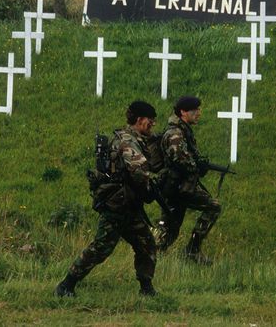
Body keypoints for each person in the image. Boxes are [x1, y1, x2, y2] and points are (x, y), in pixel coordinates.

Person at [55, 101, 161, 297]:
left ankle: (147, 289)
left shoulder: (134, 138)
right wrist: (157, 183)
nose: (153, 124)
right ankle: (66, 285)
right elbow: (139, 171)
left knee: (146, 245)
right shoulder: (127, 142)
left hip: (129, 206)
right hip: (117, 207)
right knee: (101, 248)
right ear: (139, 120)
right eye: (150, 120)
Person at [156, 96, 221, 265]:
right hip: (176, 187)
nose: (198, 113)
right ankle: (191, 250)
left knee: (171, 228)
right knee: (213, 206)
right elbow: (180, 159)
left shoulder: (182, 130)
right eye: (195, 110)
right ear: (183, 112)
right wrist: (197, 166)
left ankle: (155, 257)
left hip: (180, 186)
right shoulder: (175, 133)